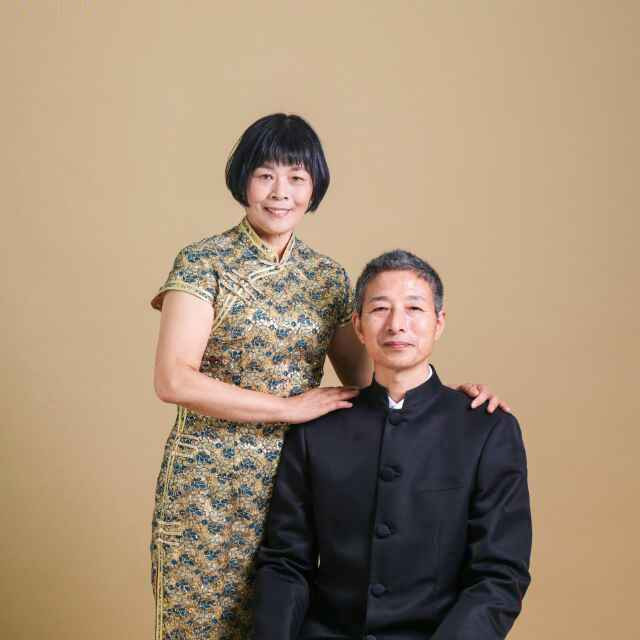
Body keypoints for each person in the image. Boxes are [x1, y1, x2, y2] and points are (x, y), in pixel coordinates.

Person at [150, 114, 511, 640]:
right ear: (242, 180)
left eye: (296, 178)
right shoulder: (204, 262)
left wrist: (445, 400)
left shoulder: (327, 277)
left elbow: (375, 376)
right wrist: (289, 409)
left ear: (314, 187)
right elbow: (173, 381)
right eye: (265, 175)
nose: (281, 192)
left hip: (310, 481)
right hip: (212, 486)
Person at [253, 250, 532, 640]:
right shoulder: (316, 429)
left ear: (439, 322)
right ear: (358, 326)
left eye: (414, 308)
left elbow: (499, 575)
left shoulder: (486, 428)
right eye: (380, 309)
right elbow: (285, 563)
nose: (397, 324)